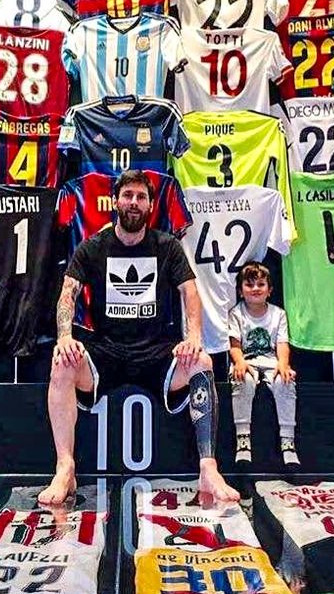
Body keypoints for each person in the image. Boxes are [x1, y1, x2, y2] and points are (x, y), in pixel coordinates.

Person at [39, 169, 239, 506]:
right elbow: (67, 293)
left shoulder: (167, 246)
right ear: (115, 201)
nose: (134, 202)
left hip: (157, 352)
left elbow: (190, 292)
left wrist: (194, 336)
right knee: (62, 364)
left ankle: (208, 467)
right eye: (128, 195)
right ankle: (65, 467)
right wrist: (64, 336)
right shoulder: (93, 247)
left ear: (150, 205)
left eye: (141, 197)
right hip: (106, 351)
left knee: (202, 363)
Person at [228, 261, 300, 466]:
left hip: (271, 361)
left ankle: (288, 441)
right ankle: (243, 439)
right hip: (246, 361)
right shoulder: (236, 313)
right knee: (243, 380)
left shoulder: (278, 314)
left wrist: (283, 364)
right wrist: (239, 362)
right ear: (241, 291)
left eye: (260, 284)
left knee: (284, 381)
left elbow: (282, 343)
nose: (255, 289)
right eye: (249, 285)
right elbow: (234, 344)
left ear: (270, 290)